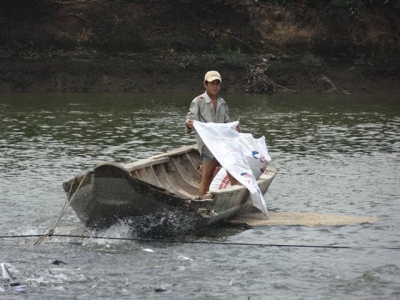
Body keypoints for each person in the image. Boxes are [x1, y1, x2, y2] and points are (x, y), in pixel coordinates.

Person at [185, 70, 239, 197]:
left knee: (233, 170)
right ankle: (202, 201)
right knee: (208, 174)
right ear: (205, 84)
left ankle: (234, 197)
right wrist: (189, 124)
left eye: (217, 83)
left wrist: (234, 129)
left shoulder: (222, 103)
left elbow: (227, 123)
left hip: (221, 143)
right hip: (206, 144)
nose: (215, 86)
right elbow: (190, 119)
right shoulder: (198, 101)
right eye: (212, 83)